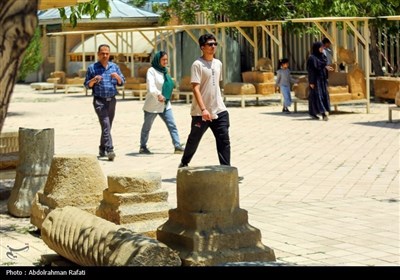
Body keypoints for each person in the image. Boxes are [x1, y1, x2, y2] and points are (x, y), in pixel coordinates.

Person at [178, 33, 231, 168]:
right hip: (201, 113)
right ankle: (184, 163)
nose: (213, 46)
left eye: (215, 44)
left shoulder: (218, 63)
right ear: (202, 47)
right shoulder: (197, 64)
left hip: (219, 109)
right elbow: (195, 88)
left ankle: (226, 169)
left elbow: (216, 85)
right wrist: (203, 109)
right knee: (194, 140)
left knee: (224, 140)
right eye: (210, 44)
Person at [84, 44, 125, 161]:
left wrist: (117, 77)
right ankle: (110, 149)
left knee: (107, 126)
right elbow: (87, 85)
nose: (105, 55)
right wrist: (93, 80)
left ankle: (102, 147)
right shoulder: (92, 68)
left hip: (111, 100)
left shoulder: (114, 67)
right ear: (98, 54)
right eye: (102, 53)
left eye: (107, 53)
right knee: (106, 124)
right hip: (99, 101)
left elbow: (122, 82)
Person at [139, 51, 184, 154]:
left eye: (166, 60)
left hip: (165, 104)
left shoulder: (165, 71)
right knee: (147, 127)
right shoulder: (151, 71)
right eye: (163, 60)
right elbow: (151, 86)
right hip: (153, 104)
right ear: (158, 60)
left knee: (172, 125)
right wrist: (158, 95)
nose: (165, 62)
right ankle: (143, 146)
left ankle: (177, 146)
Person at [307, 41, 334, 121]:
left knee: (323, 96)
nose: (322, 49)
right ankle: (323, 114)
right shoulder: (312, 58)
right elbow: (311, 70)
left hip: (322, 80)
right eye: (321, 47)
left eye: (323, 47)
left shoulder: (322, 56)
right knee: (318, 96)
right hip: (316, 80)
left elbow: (322, 65)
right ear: (316, 48)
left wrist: (326, 68)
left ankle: (313, 113)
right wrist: (311, 82)